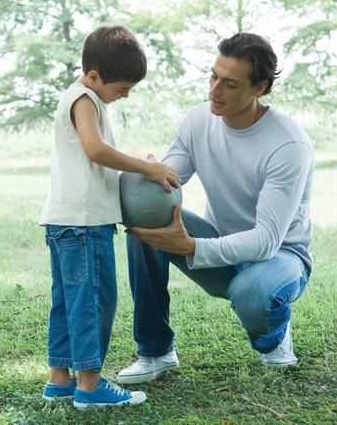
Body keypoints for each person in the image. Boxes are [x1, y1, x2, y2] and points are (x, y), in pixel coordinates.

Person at [116, 32, 314, 385]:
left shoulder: (288, 145)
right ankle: (156, 351)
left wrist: (192, 247)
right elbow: (169, 179)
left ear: (260, 88)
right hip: (222, 243)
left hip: (280, 256)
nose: (214, 91)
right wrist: (150, 173)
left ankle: (274, 336)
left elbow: (267, 240)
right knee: (147, 225)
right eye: (213, 76)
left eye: (229, 84)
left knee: (253, 294)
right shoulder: (197, 121)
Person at [38, 25, 180, 408]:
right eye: (121, 87)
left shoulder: (81, 96)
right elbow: (96, 151)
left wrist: (139, 165)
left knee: (67, 301)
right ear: (94, 75)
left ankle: (60, 380)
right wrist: (148, 170)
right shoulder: (85, 98)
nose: (125, 94)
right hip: (85, 224)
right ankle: (89, 385)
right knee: (93, 300)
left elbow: (99, 159)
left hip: (65, 220)